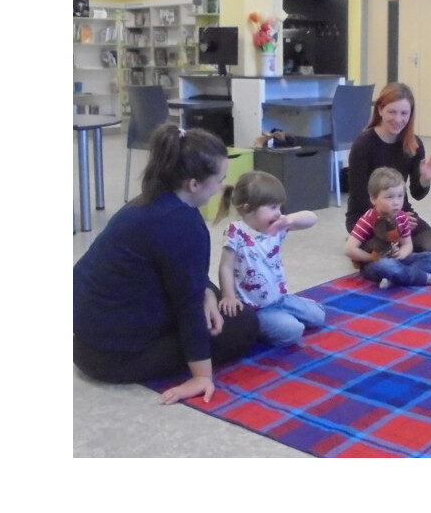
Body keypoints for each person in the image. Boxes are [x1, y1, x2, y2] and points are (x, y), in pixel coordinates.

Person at [73, 125, 260, 405]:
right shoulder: (183, 224)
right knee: (242, 325)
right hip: (113, 359)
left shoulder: (148, 202)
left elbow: (179, 272)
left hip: (85, 340)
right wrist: (202, 376)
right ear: (194, 184)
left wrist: (206, 293)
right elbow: (187, 306)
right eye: (219, 180)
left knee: (212, 299)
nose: (222, 187)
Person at [214, 171, 324, 348]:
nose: (278, 213)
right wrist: (228, 296)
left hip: (280, 298)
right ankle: (258, 327)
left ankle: (283, 318)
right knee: (293, 330)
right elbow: (225, 266)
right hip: (256, 308)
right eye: (273, 207)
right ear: (248, 209)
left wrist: (289, 220)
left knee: (319, 316)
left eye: (279, 207)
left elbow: (312, 219)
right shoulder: (236, 231)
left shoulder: (277, 226)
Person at [345, 82, 431, 254]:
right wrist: (391, 217)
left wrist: (424, 179)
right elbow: (359, 196)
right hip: (366, 215)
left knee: (430, 247)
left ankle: (399, 246)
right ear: (380, 110)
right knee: (383, 250)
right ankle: (364, 242)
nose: (398, 119)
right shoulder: (363, 144)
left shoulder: (413, 144)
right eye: (392, 112)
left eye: (404, 113)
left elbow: (417, 193)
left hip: (400, 211)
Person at [345, 166, 431, 289]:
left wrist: (402, 253)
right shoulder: (368, 219)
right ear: (373, 199)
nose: (396, 202)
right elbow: (350, 249)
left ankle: (395, 279)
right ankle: (428, 278)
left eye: (400, 196)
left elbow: (407, 244)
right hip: (374, 264)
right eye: (389, 197)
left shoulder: (401, 217)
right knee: (386, 265)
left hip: (395, 260)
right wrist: (371, 257)